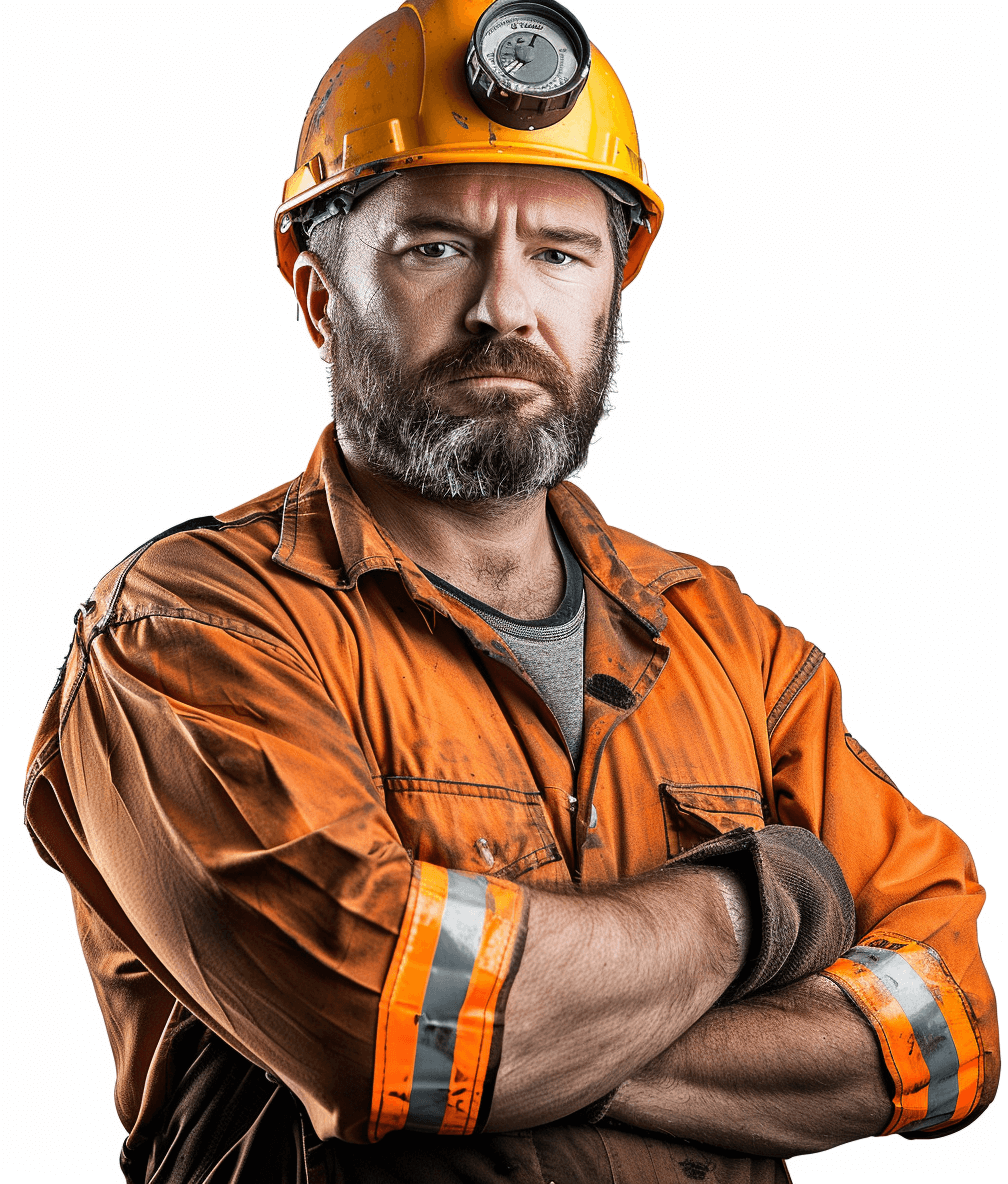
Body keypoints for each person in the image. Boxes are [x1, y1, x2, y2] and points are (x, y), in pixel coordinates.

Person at [22, 1, 998, 1181]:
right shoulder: (190, 634)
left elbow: (945, 1031)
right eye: (435, 246)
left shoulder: (733, 647)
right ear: (319, 292)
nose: (507, 307)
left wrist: (543, 1043)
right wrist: (760, 903)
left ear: (611, 288)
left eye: (559, 251)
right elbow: (381, 1028)